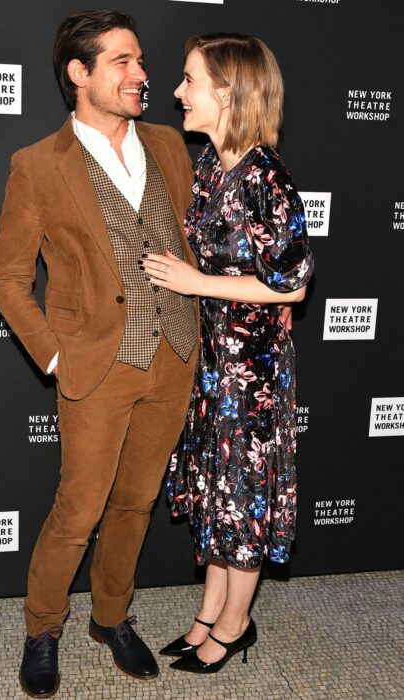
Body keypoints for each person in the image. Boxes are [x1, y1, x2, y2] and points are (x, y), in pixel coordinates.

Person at [0, 10, 199, 697]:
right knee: (79, 509)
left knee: (136, 502)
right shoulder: (37, 165)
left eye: (140, 61)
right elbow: (7, 278)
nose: (142, 75)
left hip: (172, 354)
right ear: (79, 73)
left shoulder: (169, 145)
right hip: (93, 365)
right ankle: (43, 626)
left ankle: (111, 617)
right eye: (122, 63)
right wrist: (55, 357)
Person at [142, 33, 314, 674]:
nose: (178, 91)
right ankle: (211, 609)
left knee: (242, 495)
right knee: (218, 489)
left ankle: (237, 623)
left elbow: (293, 282)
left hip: (253, 372)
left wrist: (196, 284)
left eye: (189, 79)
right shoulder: (214, 166)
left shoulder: (267, 177)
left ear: (227, 91)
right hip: (215, 362)